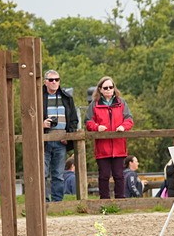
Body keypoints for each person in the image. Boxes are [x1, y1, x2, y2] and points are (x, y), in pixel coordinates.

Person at [85, 76, 134, 199]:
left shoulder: (121, 103)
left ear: (114, 88)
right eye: (105, 88)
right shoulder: (94, 105)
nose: (108, 90)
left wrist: (123, 127)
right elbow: (88, 122)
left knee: (119, 175)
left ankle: (120, 200)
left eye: (111, 87)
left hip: (118, 146)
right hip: (102, 147)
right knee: (104, 175)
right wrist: (97, 127)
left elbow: (129, 119)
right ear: (100, 89)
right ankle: (104, 201)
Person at [41, 69, 80, 202]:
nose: (54, 82)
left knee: (58, 174)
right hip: (44, 140)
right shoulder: (37, 97)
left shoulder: (66, 97)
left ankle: (58, 202)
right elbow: (29, 117)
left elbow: (74, 120)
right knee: (43, 173)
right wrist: (41, 124)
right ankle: (44, 201)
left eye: (56, 80)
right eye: (51, 80)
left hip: (61, 141)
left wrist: (68, 135)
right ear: (45, 82)